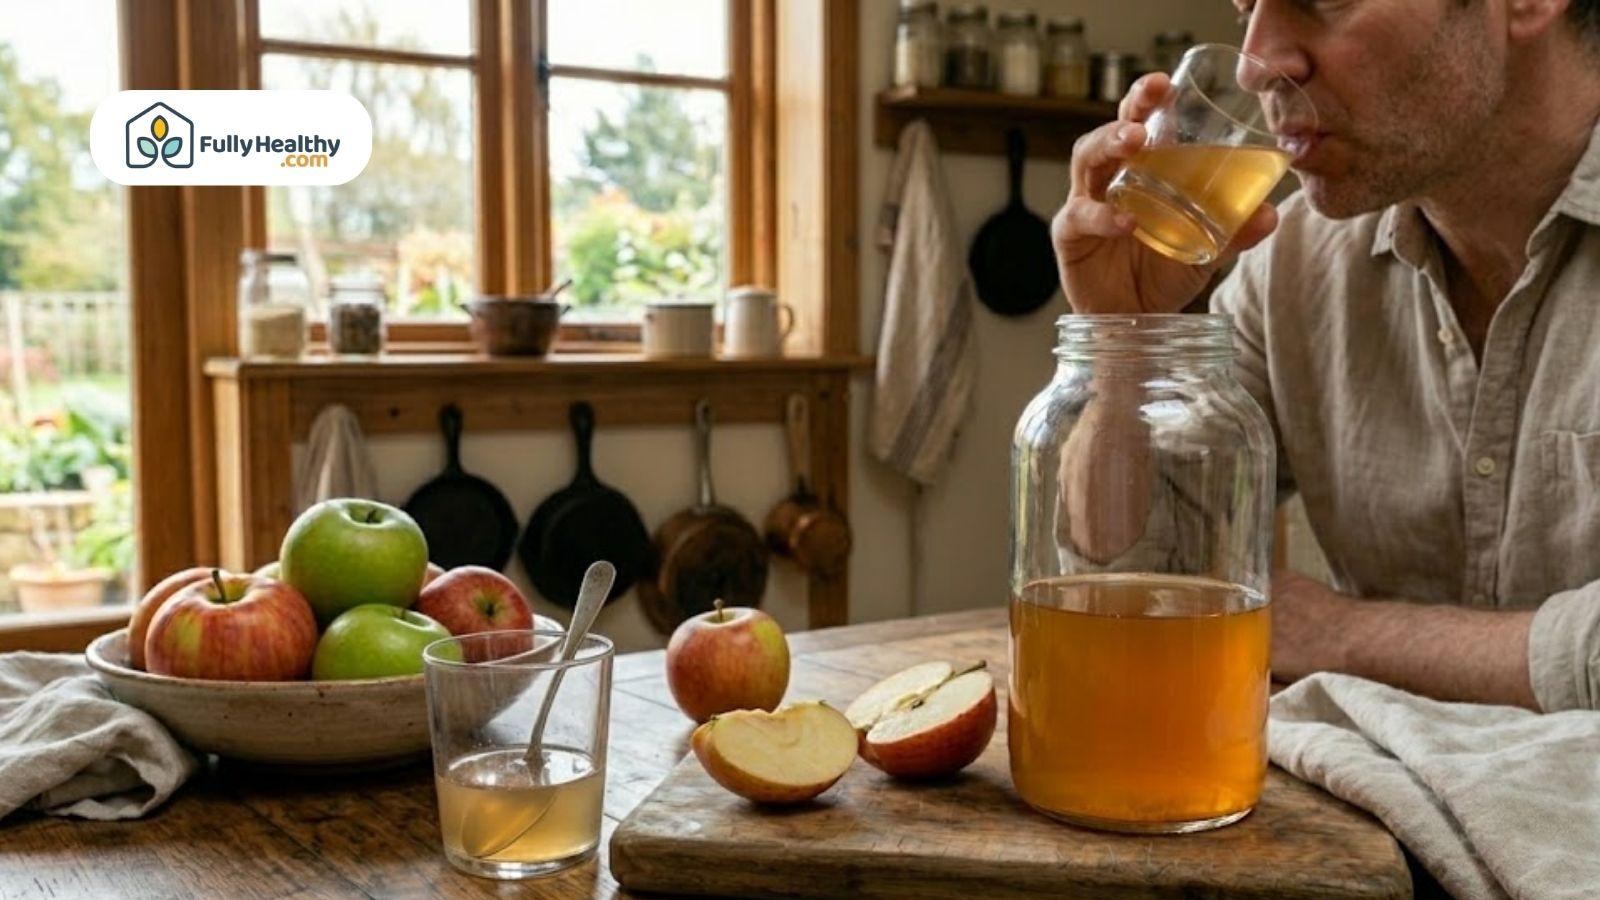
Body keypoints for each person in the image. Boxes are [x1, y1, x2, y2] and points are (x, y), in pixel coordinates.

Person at [1053, 0, 1600, 711]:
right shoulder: (1291, 270)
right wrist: (1125, 343)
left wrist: (1342, 634)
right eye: (1246, 7)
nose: (1258, 63)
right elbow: (1135, 579)